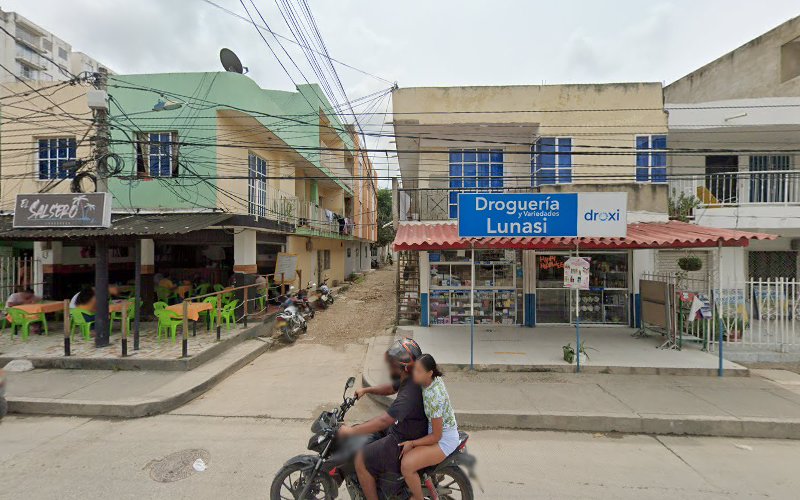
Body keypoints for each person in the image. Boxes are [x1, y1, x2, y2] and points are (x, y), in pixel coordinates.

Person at [338, 338, 427, 500]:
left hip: (403, 439)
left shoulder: (410, 392)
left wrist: (350, 431)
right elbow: (391, 388)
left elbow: (385, 420)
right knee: (365, 431)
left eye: (394, 363)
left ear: (404, 367)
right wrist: (367, 389)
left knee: (361, 460)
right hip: (403, 428)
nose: (390, 366)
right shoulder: (410, 377)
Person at [399, 354, 459, 500]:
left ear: (429, 373)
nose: (415, 373)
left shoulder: (434, 397)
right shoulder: (431, 380)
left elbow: (436, 436)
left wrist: (412, 443)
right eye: (415, 370)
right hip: (434, 432)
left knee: (406, 465)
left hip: (443, 440)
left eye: (419, 371)